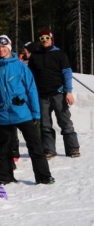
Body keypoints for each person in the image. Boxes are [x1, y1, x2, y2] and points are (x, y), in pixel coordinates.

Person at [0, 35, 54, 185]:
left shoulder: (20, 66)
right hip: (2, 113)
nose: (1, 50)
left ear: (9, 47)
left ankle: (43, 176)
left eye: (3, 47)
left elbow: (31, 89)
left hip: (22, 112)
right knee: (5, 148)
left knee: (35, 145)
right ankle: (6, 177)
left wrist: (35, 112)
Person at [28, 28, 80, 158]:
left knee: (65, 122)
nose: (44, 40)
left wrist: (68, 92)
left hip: (58, 93)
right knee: (45, 125)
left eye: (47, 38)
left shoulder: (60, 54)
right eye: (42, 38)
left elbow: (67, 73)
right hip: (41, 95)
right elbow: (31, 76)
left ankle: (72, 148)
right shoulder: (35, 56)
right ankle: (49, 150)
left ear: (52, 39)